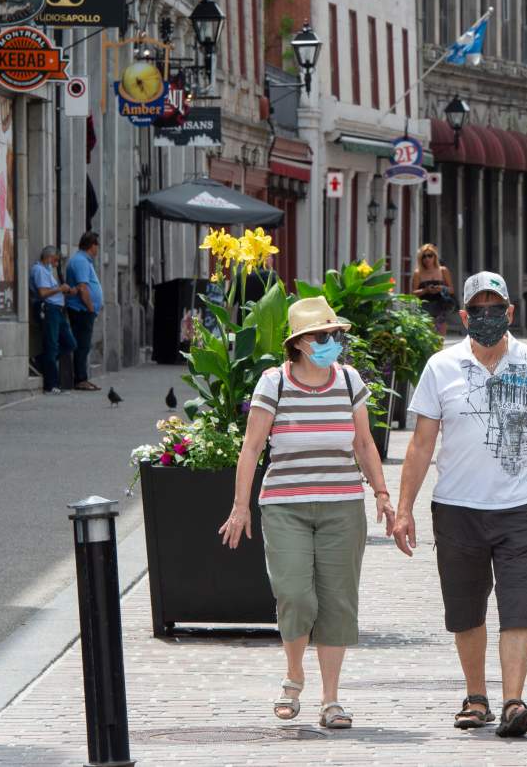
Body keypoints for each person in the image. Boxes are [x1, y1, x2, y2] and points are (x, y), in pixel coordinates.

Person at [393, 271, 527, 738]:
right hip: (457, 507)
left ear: (510, 312)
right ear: (465, 315)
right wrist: (404, 506)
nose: (488, 317)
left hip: (520, 509)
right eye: (479, 310)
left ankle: (513, 702)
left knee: (519, 608)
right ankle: (476, 697)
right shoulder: (440, 367)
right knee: (466, 610)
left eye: (497, 309)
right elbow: (421, 444)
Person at [219, 296, 394, 730]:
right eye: (321, 336)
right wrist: (240, 507)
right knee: (295, 593)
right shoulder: (274, 383)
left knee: (337, 601)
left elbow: (364, 443)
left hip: (342, 505)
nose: (330, 341)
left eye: (333, 335)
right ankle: (294, 674)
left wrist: (382, 494)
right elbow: (252, 448)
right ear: (298, 343)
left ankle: (331, 700)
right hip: (285, 506)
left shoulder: (350, 381)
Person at [30, 246, 76, 395]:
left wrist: (67, 292)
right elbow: (43, 293)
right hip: (50, 309)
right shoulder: (39, 270)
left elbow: (53, 291)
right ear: (49, 257)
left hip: (57, 310)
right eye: (56, 260)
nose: (57, 264)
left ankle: (40, 360)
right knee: (52, 346)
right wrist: (60, 289)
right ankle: (51, 385)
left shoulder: (47, 271)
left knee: (70, 343)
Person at [65, 231, 103, 391]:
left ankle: (83, 378)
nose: (98, 249)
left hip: (84, 310)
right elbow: (82, 287)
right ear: (92, 245)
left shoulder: (84, 261)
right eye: (97, 245)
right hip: (81, 310)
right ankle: (80, 379)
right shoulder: (80, 261)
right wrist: (91, 307)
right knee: (82, 345)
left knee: (84, 345)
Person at [411, 243, 455, 336]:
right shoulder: (418, 273)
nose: (427, 259)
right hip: (425, 307)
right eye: (424, 256)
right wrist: (425, 290)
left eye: (429, 256)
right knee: (427, 336)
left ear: (435, 257)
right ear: (421, 259)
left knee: (440, 339)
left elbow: (451, 290)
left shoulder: (443, 270)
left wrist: (441, 288)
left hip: (440, 307)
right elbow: (413, 293)